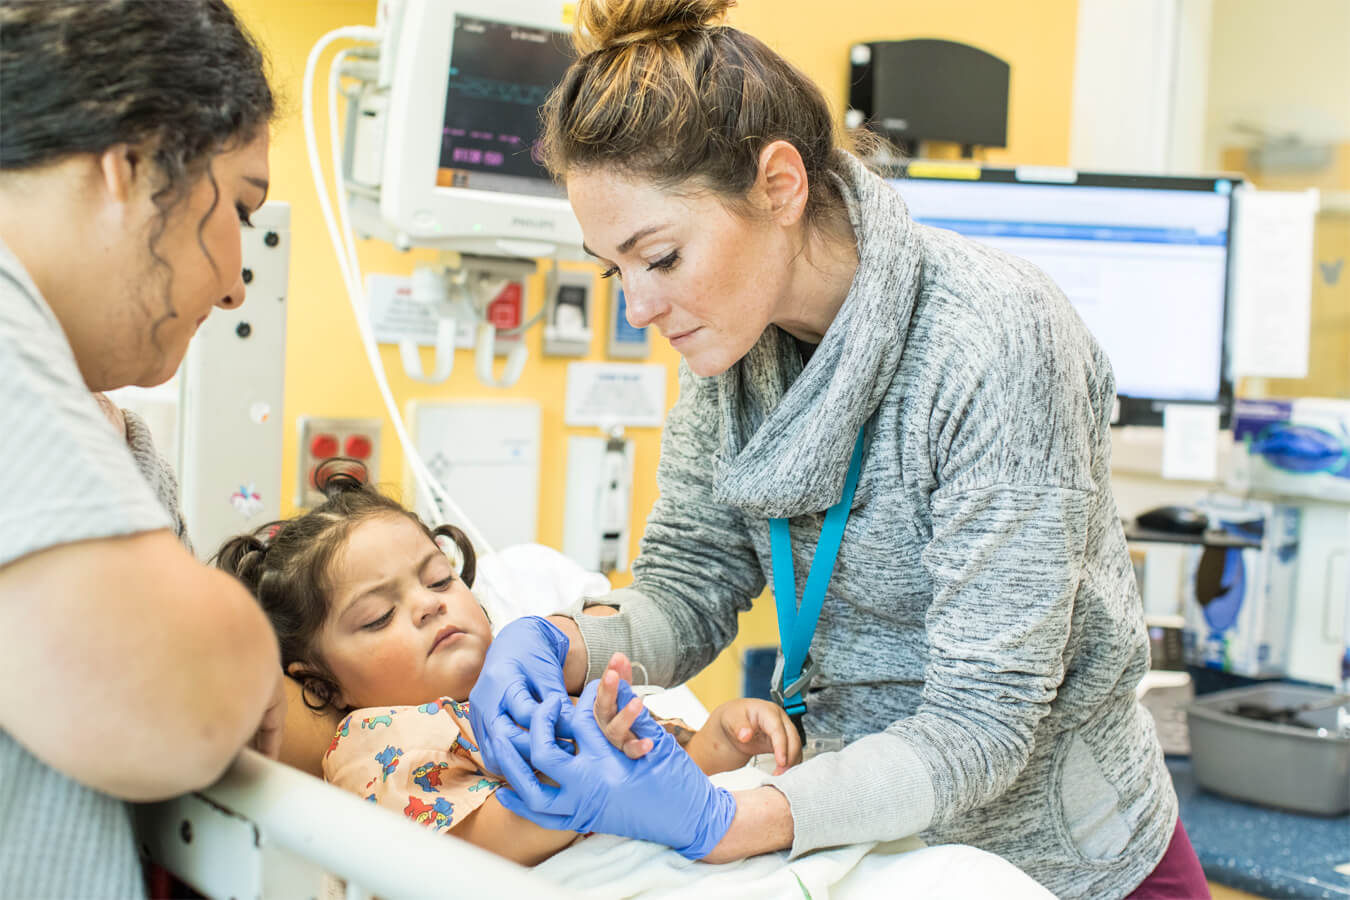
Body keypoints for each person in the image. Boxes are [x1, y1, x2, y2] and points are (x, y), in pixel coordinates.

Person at [466, 1, 1210, 898]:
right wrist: (559, 645)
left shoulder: (994, 344)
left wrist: (728, 822)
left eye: (659, 257)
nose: (638, 307)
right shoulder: (735, 344)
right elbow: (692, 582)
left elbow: (985, 722)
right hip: (871, 845)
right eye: (610, 268)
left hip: (1063, 862)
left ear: (780, 185)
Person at [0, 2, 285, 896]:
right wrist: (249, 655)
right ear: (132, 161)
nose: (239, 283)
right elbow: (171, 699)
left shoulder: (94, 422)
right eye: (239, 206)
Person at [214, 462, 803, 866]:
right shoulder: (372, 742)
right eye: (376, 617)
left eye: (439, 578)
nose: (427, 605)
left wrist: (721, 740)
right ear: (319, 682)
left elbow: (663, 779)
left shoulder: (549, 687)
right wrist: (584, 796)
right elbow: (474, 843)